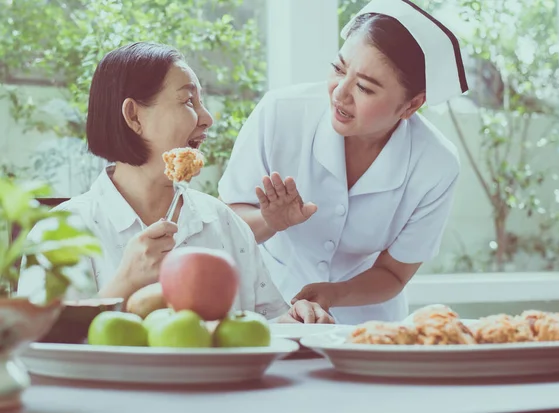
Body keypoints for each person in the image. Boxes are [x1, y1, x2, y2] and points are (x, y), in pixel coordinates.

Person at [17, 42, 333, 324]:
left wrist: (297, 320)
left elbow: (263, 325)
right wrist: (125, 282)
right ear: (134, 116)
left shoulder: (222, 223)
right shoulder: (60, 232)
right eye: (187, 101)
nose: (207, 117)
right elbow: (36, 342)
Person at [217, 0, 469, 325]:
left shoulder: (435, 164)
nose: (340, 93)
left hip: (368, 326)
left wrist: (333, 294)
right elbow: (225, 229)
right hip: (268, 314)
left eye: (364, 87)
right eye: (338, 69)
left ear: (412, 105)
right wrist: (270, 220)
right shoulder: (280, 113)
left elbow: (393, 272)